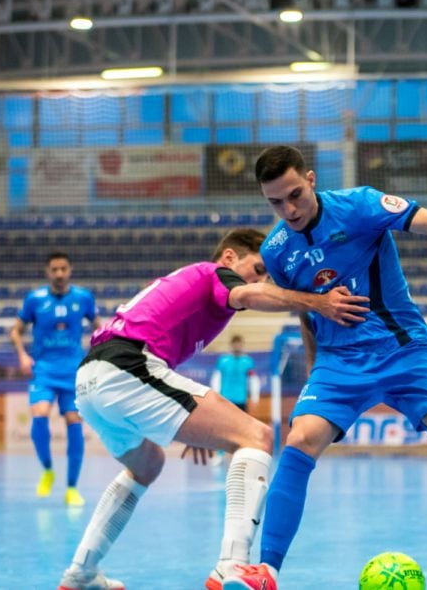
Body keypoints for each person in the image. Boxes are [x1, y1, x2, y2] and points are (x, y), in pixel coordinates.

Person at [222, 146, 427, 590]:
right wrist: (315, 370)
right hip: (339, 361)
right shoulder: (277, 250)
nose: (288, 209)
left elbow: (421, 217)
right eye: (275, 202)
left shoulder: (358, 205)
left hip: (402, 348)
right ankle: (267, 572)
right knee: (300, 440)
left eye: (295, 195)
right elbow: (306, 315)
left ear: (309, 178)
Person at [56, 228, 370, 590]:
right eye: (257, 269)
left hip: (92, 379)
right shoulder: (215, 273)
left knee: (147, 464)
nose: (261, 280)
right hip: (127, 366)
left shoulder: (191, 287)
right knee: (257, 436)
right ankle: (233, 566)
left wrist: (198, 426)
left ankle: (81, 572)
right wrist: (315, 301)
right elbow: (249, 293)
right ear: (230, 258)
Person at [10, 251, 102, 507]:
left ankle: (72, 487)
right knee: (39, 414)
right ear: (48, 272)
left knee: (74, 421)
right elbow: (15, 331)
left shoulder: (83, 297)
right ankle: (48, 469)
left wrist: (97, 354)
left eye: (63, 268)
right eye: (54, 269)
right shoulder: (35, 299)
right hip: (44, 370)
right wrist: (22, 356)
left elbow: (99, 327)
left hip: (73, 370)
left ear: (70, 270)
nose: (59, 273)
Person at [212, 335, 257, 413]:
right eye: (235, 344)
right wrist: (216, 395)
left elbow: (253, 380)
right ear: (231, 345)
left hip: (241, 399)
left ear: (242, 345)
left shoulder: (247, 361)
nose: (237, 347)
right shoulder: (223, 361)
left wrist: (255, 397)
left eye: (239, 345)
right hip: (225, 399)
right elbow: (216, 379)